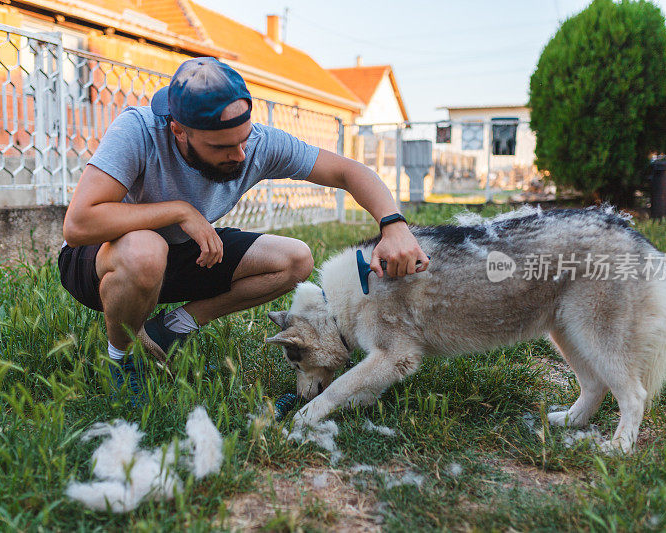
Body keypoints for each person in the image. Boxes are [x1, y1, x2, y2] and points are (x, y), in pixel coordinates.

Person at [58, 57, 429, 401]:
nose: (240, 155)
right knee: (145, 250)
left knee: (294, 259)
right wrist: (180, 211)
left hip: (181, 253)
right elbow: (78, 223)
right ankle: (123, 358)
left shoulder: (256, 144)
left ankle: (171, 328)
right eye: (222, 146)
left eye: (244, 138)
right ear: (178, 131)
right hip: (104, 259)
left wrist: (393, 225)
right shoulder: (138, 130)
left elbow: (349, 171)